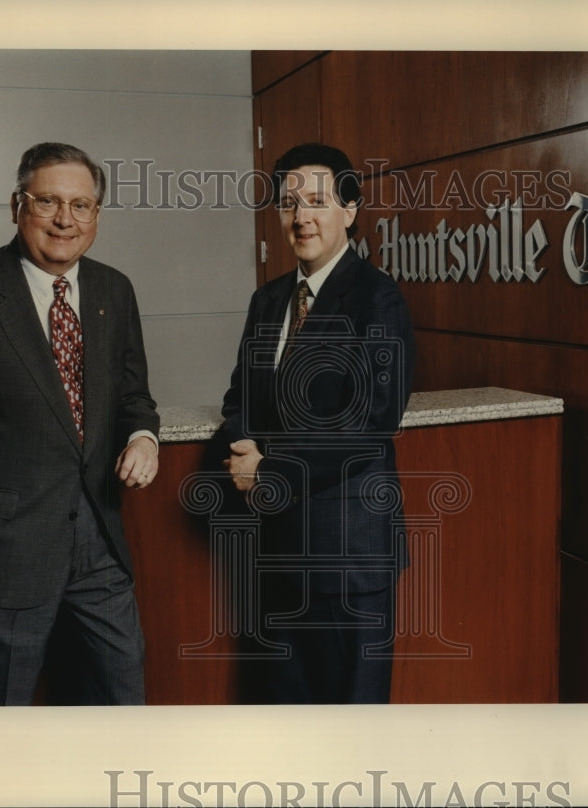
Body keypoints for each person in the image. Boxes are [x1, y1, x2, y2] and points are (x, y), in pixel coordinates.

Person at [0, 142, 160, 705]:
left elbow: (133, 396)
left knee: (123, 699)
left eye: (82, 205)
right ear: (16, 205)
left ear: (97, 215)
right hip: (4, 553)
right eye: (48, 201)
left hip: (99, 547)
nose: (65, 219)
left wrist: (143, 436)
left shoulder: (114, 290)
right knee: (0, 715)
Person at [213, 142, 415, 703]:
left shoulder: (378, 299)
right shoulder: (268, 300)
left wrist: (271, 468)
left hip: (350, 557)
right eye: (288, 204)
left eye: (317, 201)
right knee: (289, 727)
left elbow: (370, 423)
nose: (300, 217)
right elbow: (239, 398)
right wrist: (243, 443)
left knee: (351, 727)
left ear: (349, 209)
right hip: (279, 554)